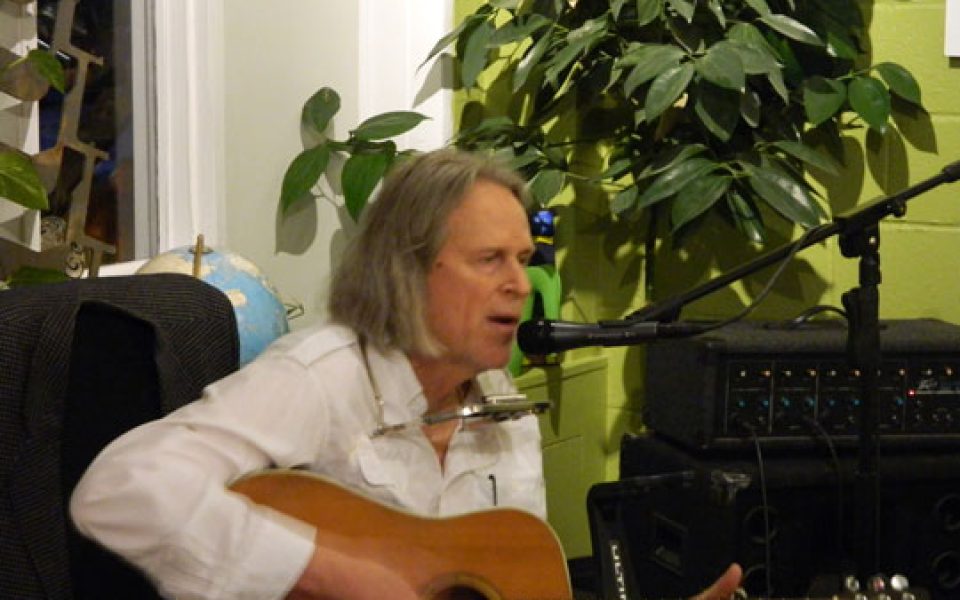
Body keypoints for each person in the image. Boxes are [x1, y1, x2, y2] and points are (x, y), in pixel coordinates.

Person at [70, 149, 742, 599]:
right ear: (408, 271)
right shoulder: (321, 377)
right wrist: (334, 575)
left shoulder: (505, 410)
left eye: (523, 259)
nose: (519, 284)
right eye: (490, 260)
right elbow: (119, 488)